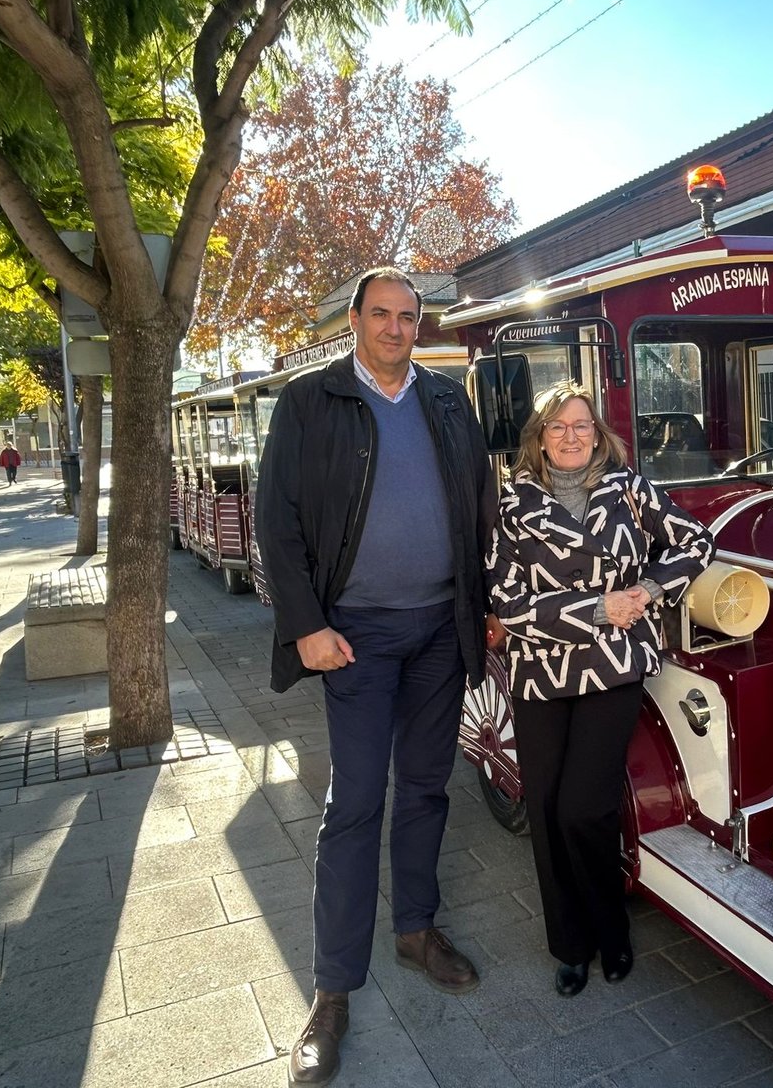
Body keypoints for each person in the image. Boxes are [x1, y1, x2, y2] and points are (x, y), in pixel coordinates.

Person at [254, 267, 496, 1085]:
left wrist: (485, 604)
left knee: (428, 786)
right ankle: (331, 990)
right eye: (382, 314)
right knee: (355, 802)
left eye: (409, 317)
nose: (397, 328)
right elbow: (276, 520)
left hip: (439, 630)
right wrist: (307, 625)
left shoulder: (447, 400)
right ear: (354, 320)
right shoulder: (310, 401)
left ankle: (416, 929)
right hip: (353, 637)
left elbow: (480, 506)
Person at [488, 383, 713, 997]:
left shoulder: (631, 489)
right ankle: (571, 945)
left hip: (613, 667)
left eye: (581, 426)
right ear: (538, 437)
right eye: (556, 427)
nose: (570, 436)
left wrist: (650, 591)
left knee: (582, 808)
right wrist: (595, 607)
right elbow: (507, 605)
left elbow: (697, 542)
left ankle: (611, 929)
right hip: (541, 674)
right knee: (545, 809)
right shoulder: (512, 504)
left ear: (598, 432)